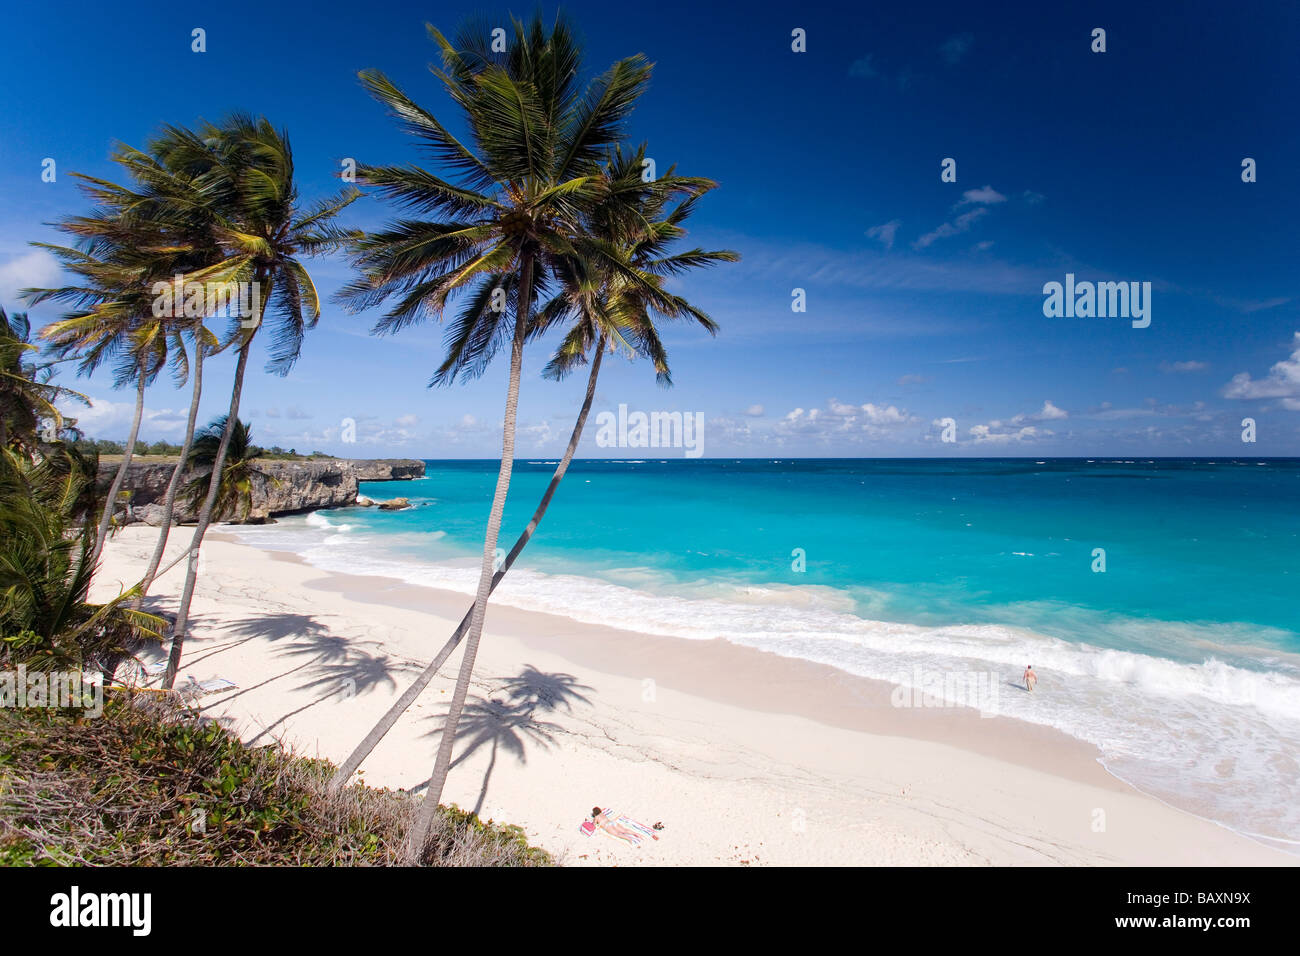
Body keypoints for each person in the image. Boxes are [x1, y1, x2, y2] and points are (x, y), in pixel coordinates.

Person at [592, 807, 659, 845]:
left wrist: (594, 822)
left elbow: (594, 825)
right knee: (625, 830)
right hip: (612, 822)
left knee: (618, 834)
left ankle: (629, 839)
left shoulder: (596, 817)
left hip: (607, 826)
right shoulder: (602, 814)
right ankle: (637, 834)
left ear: (594, 813)